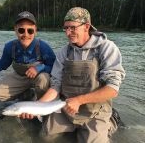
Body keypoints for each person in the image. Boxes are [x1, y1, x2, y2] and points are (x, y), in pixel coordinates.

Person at [22, 7, 126, 142]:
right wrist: (36, 107)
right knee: (45, 137)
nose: (68, 33)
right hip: (66, 110)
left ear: (86, 26)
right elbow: (56, 85)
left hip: (94, 112)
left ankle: (111, 121)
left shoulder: (107, 48)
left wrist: (79, 100)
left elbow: (112, 90)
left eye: (72, 28)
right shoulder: (63, 52)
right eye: (65, 28)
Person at [0, 11, 56, 102]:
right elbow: (0, 65)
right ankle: (26, 93)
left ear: (35, 30)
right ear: (15, 29)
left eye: (30, 31)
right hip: (19, 77)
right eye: (21, 30)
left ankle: (42, 104)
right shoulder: (10, 47)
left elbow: (55, 67)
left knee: (43, 79)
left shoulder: (43, 47)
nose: (25, 34)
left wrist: (39, 68)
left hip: (38, 78)